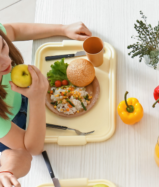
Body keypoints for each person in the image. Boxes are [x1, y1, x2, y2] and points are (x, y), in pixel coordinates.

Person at [0, 22, 92, 154]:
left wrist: (63, 29)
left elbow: (14, 31)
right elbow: (32, 149)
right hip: (10, 130)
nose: (7, 61)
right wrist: (36, 99)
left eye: (3, 46)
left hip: (24, 99)